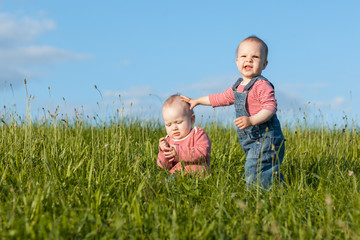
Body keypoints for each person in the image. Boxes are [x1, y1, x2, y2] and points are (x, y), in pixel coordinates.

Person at [181, 36, 285, 189]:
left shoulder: (262, 85)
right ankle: (278, 193)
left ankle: (258, 199)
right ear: (237, 61)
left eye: (255, 57)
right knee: (266, 170)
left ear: (264, 64)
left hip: (265, 138)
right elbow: (220, 98)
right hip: (251, 140)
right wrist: (197, 100)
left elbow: (270, 108)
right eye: (244, 56)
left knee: (254, 169)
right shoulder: (238, 86)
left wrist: (251, 121)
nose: (248, 60)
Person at [157, 94, 211, 176]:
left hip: (196, 175)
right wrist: (163, 151)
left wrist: (178, 152)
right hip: (176, 176)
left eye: (178, 123)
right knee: (164, 178)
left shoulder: (197, 133)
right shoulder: (168, 140)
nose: (174, 128)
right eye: (169, 125)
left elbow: (203, 153)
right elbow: (164, 166)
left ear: (192, 120)